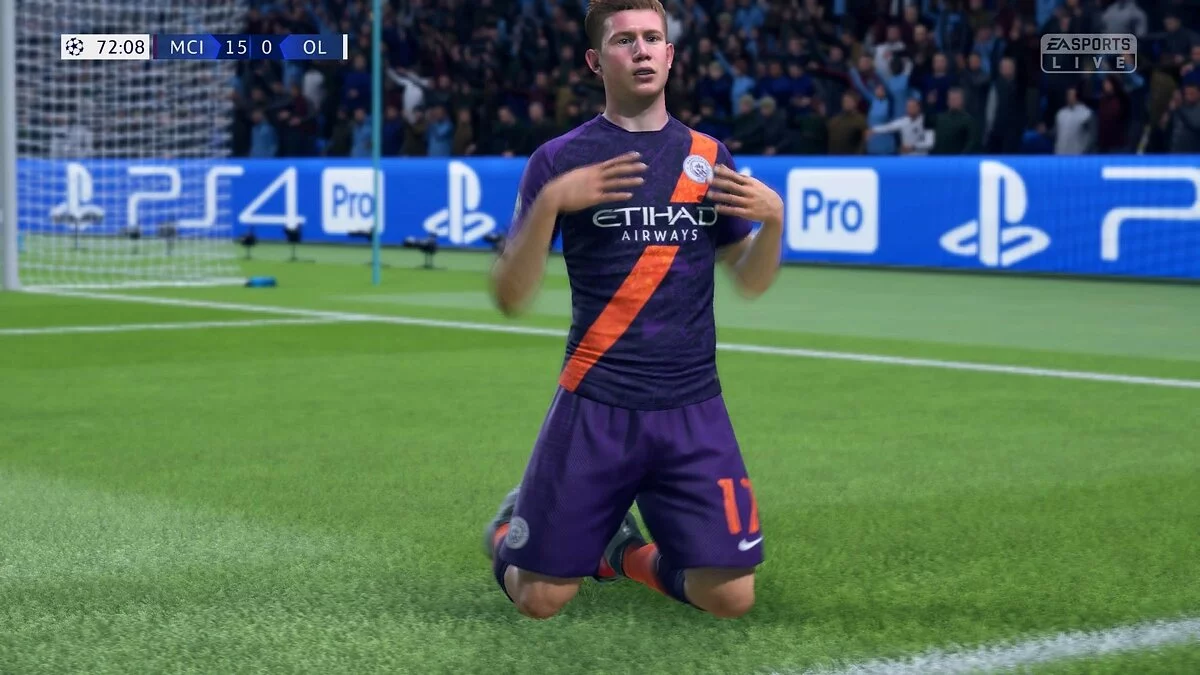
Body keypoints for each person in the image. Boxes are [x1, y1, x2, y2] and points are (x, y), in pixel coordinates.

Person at [483, 0, 784, 621]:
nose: (641, 50)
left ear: (670, 55)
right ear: (597, 61)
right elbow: (510, 297)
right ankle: (513, 528)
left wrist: (775, 222)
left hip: (692, 403)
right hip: (596, 400)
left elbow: (751, 283)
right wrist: (550, 205)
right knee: (541, 599)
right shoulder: (559, 159)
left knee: (730, 597)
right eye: (625, 41)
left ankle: (621, 552)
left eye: (653, 38)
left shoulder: (708, 155)